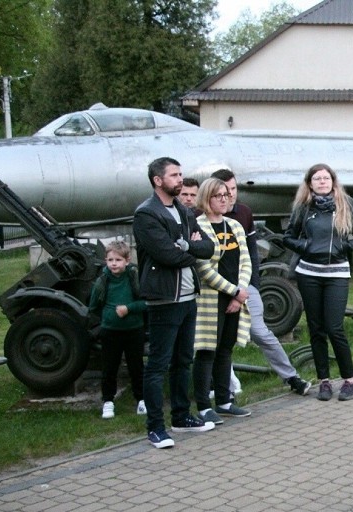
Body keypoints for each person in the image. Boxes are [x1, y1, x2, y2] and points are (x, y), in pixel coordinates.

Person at [133, 157, 216, 449]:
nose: (180, 179)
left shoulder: (184, 209)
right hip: (164, 299)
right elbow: (166, 255)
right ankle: (155, 427)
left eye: (181, 174)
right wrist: (188, 248)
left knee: (183, 360)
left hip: (188, 296)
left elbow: (209, 247)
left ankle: (181, 417)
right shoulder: (146, 214)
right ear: (158, 180)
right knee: (158, 364)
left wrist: (186, 246)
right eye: (174, 175)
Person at [212, 169, 311, 397]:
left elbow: (250, 253)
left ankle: (291, 377)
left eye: (233, 190)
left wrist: (250, 285)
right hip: (217, 289)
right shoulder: (202, 219)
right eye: (224, 192)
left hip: (245, 285)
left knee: (261, 333)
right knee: (218, 341)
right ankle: (223, 388)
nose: (229, 196)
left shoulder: (244, 213)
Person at [283, 164, 353, 401]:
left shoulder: (347, 204)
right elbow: (288, 237)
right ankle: (324, 382)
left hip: (337, 273)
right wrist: (306, 247)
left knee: (334, 327)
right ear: (310, 183)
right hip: (309, 273)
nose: (322, 182)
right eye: (317, 178)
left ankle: (349, 380)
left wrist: (345, 246)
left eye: (326, 178)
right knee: (317, 328)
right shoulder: (303, 207)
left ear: (333, 181)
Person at [191, 178, 254, 424]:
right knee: (207, 350)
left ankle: (225, 401)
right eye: (218, 195)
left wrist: (240, 293)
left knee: (225, 349)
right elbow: (203, 269)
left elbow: (246, 261)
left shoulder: (235, 226)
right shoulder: (197, 227)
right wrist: (233, 291)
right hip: (210, 299)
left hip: (235, 298)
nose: (224, 199)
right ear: (207, 199)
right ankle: (205, 406)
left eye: (227, 195)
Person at [88, 241, 146, 419]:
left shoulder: (133, 277)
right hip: (110, 331)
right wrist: (108, 317)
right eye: (110, 260)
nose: (114, 263)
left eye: (118, 260)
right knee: (109, 367)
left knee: (136, 367)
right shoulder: (103, 280)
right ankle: (108, 401)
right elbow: (94, 305)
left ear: (127, 261)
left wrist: (129, 309)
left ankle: (142, 400)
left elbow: (146, 302)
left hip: (133, 330)